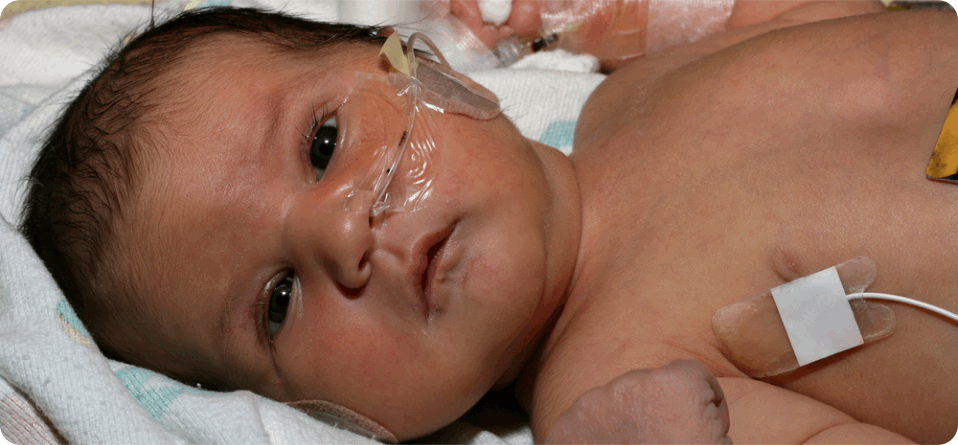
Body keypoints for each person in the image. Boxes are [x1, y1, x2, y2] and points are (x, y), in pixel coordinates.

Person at [19, 1, 958, 443]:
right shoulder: (622, 384)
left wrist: (632, 14)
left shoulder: (634, 87)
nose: (341, 234)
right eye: (275, 302)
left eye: (323, 142)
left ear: (429, 63)